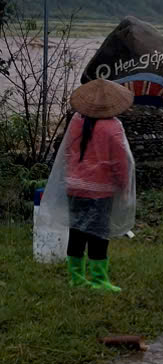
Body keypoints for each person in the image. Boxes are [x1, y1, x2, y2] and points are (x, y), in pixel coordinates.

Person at [43, 78, 136, 291]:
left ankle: (75, 278)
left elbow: (67, 152)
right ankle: (98, 280)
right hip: (99, 191)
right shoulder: (113, 127)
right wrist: (123, 187)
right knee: (98, 234)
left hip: (74, 186)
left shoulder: (77, 120)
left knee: (76, 231)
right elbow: (120, 162)